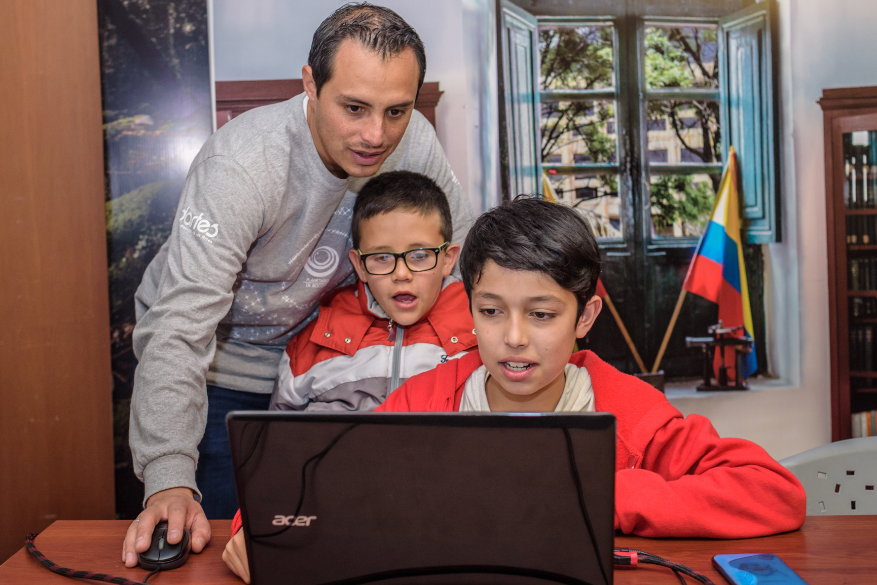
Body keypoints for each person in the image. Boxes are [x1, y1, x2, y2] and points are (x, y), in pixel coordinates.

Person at [122, 3, 473, 568]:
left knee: (328, 550)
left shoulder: (414, 142)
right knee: (218, 552)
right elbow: (178, 328)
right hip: (218, 371)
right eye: (354, 107)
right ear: (310, 83)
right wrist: (166, 476)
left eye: (396, 111)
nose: (375, 135)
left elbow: (463, 263)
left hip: (320, 368)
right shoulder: (243, 164)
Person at [377, 197, 806, 539]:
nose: (513, 337)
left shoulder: (631, 414)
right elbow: (343, 492)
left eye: (541, 315)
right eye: (491, 311)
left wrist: (605, 496)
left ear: (585, 317)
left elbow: (775, 492)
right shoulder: (420, 403)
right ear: (469, 308)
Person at [221, 170, 476, 583]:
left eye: (419, 255)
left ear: (448, 258)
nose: (401, 274)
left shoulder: (483, 336)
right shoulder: (314, 344)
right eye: (381, 257)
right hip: (336, 536)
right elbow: (275, 463)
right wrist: (248, 529)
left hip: (453, 535)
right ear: (357, 263)